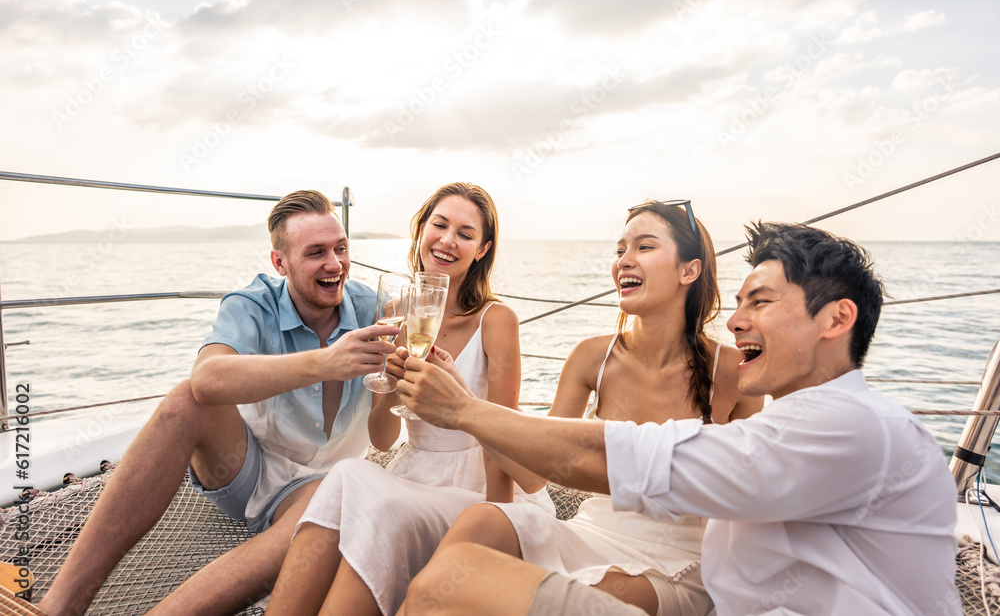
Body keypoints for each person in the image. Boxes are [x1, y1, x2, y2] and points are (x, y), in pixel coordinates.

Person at [396, 221, 961, 616]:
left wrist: (465, 409)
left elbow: (610, 457)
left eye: (760, 302)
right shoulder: (795, 422)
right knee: (465, 559)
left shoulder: (856, 427)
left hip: (673, 572)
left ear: (837, 319)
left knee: (450, 584)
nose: (736, 321)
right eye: (738, 303)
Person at [38, 190, 398, 616]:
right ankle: (59, 605)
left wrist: (391, 384)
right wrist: (327, 362)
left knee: (333, 495)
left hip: (322, 485)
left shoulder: (378, 310)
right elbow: (206, 379)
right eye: (316, 252)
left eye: (340, 248)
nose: (335, 264)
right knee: (185, 401)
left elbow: (385, 439)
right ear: (279, 263)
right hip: (244, 469)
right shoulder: (252, 303)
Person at [424, 200, 760, 616]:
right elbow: (533, 476)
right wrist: (467, 404)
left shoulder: (732, 372)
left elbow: (751, 499)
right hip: (590, 532)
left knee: (547, 593)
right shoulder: (590, 358)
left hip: (674, 562)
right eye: (620, 250)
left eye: (644, 247)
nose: (624, 261)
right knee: (482, 522)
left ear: (688, 270)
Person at [265, 182, 553, 616]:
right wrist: (390, 388)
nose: (447, 240)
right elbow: (383, 439)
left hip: (478, 488)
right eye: (439, 224)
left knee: (355, 481)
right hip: (417, 472)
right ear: (421, 230)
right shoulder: (399, 317)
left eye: (465, 232)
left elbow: (507, 439)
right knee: (351, 481)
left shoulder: (497, 320)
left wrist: (497, 525)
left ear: (482, 249)